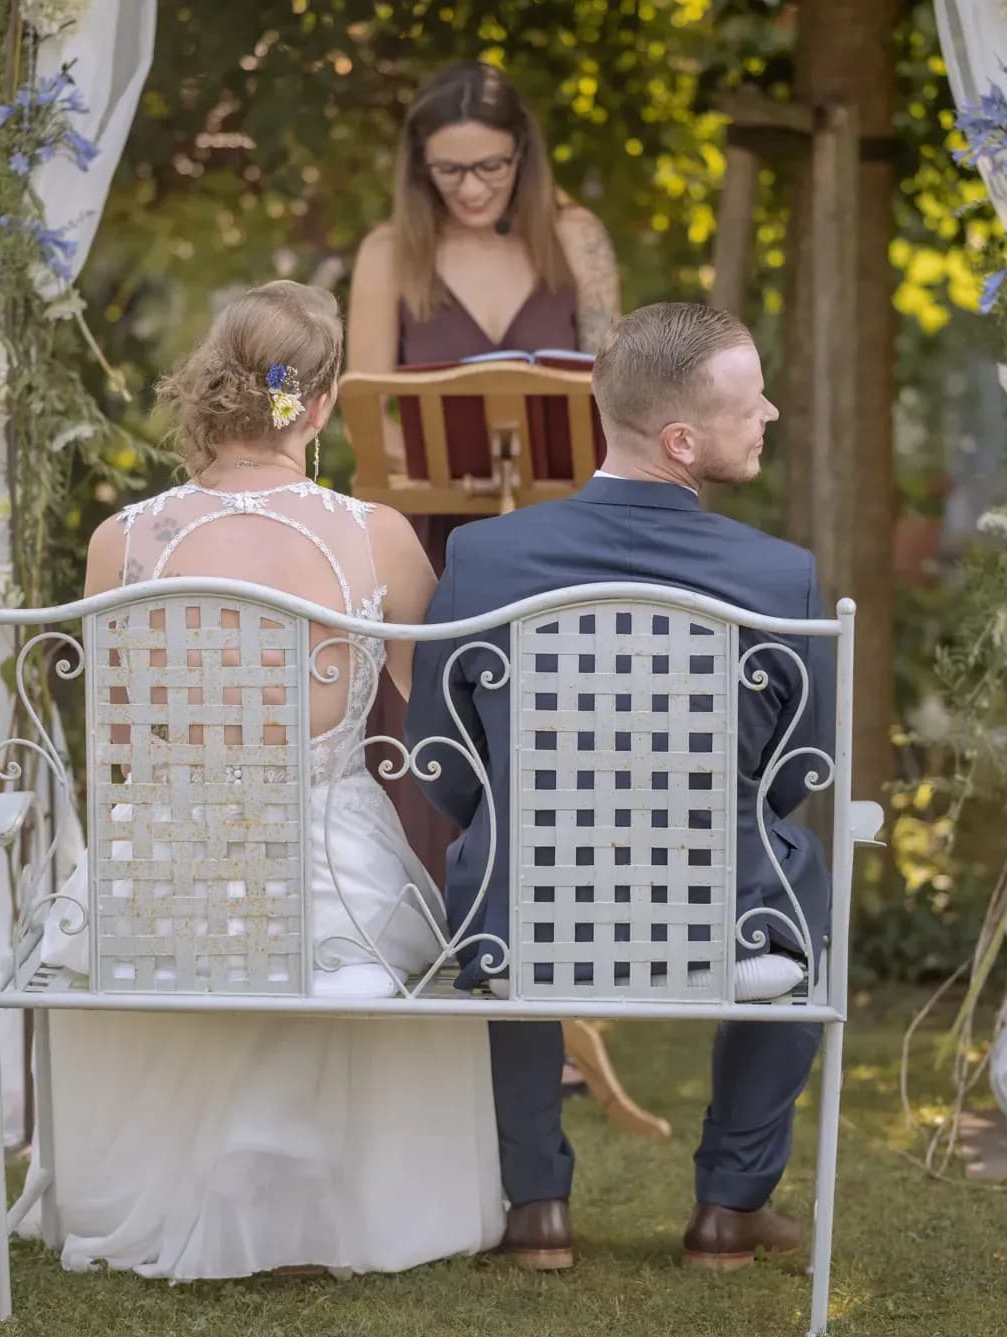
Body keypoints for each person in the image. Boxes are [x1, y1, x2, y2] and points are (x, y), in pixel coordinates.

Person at [14, 281, 502, 1280]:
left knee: (186, 900)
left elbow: (114, 737)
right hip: (326, 869)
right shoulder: (374, 535)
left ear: (208, 390)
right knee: (349, 931)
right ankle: (307, 1198)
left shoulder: (124, 539)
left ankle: (189, 1179)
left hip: (159, 865)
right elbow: (440, 726)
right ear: (318, 407)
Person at [405, 302, 835, 1271]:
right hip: (721, 908)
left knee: (492, 866)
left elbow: (438, 754)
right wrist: (700, 833)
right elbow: (799, 771)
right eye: (749, 403)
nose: (770, 412)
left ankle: (535, 1212)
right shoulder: (779, 577)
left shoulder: (485, 557)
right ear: (680, 441)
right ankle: (728, 1206)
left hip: (525, 910)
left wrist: (530, 828)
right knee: (802, 873)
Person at [350, 60, 627, 1105]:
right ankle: (438, 991)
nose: (470, 191)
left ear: (525, 155)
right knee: (438, 754)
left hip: (558, 540)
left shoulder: (579, 238)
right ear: (418, 169)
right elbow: (363, 411)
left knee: (554, 760)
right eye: (447, 171)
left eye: (491, 168)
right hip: (433, 548)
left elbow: (621, 387)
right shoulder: (390, 252)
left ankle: (550, 1005)